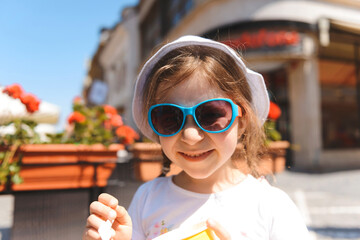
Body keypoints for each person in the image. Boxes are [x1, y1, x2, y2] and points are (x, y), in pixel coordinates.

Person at [83, 35, 310, 240]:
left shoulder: (272, 207)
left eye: (211, 114)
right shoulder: (147, 199)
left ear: (241, 122)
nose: (190, 136)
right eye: (169, 117)